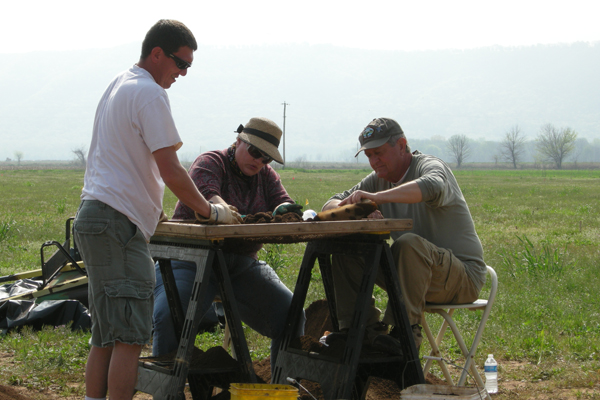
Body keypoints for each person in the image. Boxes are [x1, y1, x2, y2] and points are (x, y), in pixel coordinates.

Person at [73, 20, 241, 400]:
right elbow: (171, 169)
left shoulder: (120, 83)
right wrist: (210, 212)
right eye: (181, 65)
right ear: (157, 54)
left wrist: (148, 206)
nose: (181, 74)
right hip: (117, 225)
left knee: (106, 334)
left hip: (98, 216)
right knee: (130, 337)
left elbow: (117, 159)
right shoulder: (150, 93)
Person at [152, 116, 305, 375]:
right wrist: (221, 209)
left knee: (291, 315)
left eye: (266, 158)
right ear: (238, 141)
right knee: (170, 318)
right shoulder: (211, 162)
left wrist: (285, 210)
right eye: (255, 152)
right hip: (191, 257)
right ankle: (166, 388)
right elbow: (206, 195)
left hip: (240, 264)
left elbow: (282, 203)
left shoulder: (267, 177)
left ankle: (282, 384)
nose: (259, 161)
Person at [322, 117, 486, 355]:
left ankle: (405, 333)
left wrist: (378, 198)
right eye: (369, 156)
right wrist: (358, 209)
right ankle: (360, 331)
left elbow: (432, 186)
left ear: (401, 145)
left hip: (461, 277)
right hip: (413, 275)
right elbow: (332, 202)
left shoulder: (429, 165)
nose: (374, 162)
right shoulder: (380, 178)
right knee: (348, 250)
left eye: (378, 153)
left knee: (408, 244)